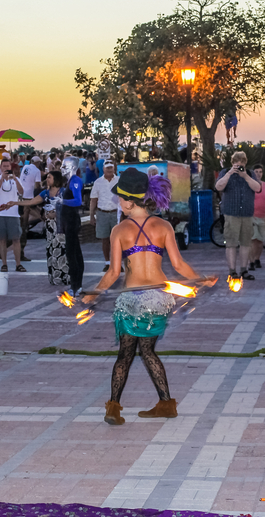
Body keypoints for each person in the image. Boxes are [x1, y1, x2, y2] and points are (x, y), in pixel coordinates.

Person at [84, 167, 213, 425]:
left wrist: (91, 296)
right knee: (148, 351)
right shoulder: (163, 226)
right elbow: (178, 265)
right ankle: (166, 404)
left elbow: (112, 274)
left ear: (130, 202)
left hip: (131, 301)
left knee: (125, 354)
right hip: (157, 300)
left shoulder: (119, 231)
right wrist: (201, 278)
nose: (118, 201)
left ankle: (113, 408)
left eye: (120, 197)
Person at [215, 151, 261, 282]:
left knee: (246, 243)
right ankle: (232, 271)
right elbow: (218, 187)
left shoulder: (250, 174)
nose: (239, 164)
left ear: (245, 163)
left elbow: (258, 188)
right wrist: (230, 173)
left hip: (246, 214)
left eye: (241, 162)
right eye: (236, 162)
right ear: (233, 162)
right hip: (231, 214)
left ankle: (244, 270)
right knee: (231, 243)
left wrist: (245, 176)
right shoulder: (225, 172)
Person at [17, 171, 68, 285]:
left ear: (56, 179)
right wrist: (15, 203)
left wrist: (56, 214)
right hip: (50, 226)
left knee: (63, 250)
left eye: (49, 177)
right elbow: (31, 201)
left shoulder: (64, 192)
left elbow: (69, 208)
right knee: (52, 250)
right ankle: (54, 277)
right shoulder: (45, 193)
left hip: (62, 225)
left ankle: (65, 276)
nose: (47, 179)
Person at [0, 159, 26, 273]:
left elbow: (21, 192)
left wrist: (15, 178)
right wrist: (2, 178)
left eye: (7, 166)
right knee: (2, 240)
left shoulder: (16, 180)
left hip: (13, 214)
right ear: (0, 168)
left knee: (16, 239)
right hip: (0, 213)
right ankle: (4, 264)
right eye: (4, 166)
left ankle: (18, 264)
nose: (6, 168)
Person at [60, 157, 86, 295]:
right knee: (74, 252)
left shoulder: (75, 181)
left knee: (73, 254)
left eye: (64, 166)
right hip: (68, 221)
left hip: (72, 222)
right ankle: (76, 285)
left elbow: (77, 201)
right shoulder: (70, 181)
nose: (61, 168)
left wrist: (62, 201)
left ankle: (76, 286)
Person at [89, 161, 119, 273]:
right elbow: (93, 199)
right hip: (102, 213)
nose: (110, 170)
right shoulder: (98, 182)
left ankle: (117, 263)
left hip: (116, 212)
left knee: (117, 240)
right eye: (107, 168)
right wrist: (91, 215)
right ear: (104, 169)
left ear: (114, 169)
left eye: (111, 168)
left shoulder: (119, 181)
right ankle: (107, 262)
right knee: (105, 239)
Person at [17, 156, 43, 261]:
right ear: (37, 163)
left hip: (20, 196)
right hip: (28, 197)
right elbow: (37, 186)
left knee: (22, 222)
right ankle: (20, 253)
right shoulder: (37, 171)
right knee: (24, 224)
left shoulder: (25, 167)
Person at [248, 164, 265, 272]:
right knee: (253, 239)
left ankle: (257, 259)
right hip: (252, 215)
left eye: (260, 172)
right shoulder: (249, 185)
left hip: (263, 215)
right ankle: (251, 261)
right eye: (256, 171)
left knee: (261, 240)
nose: (258, 174)